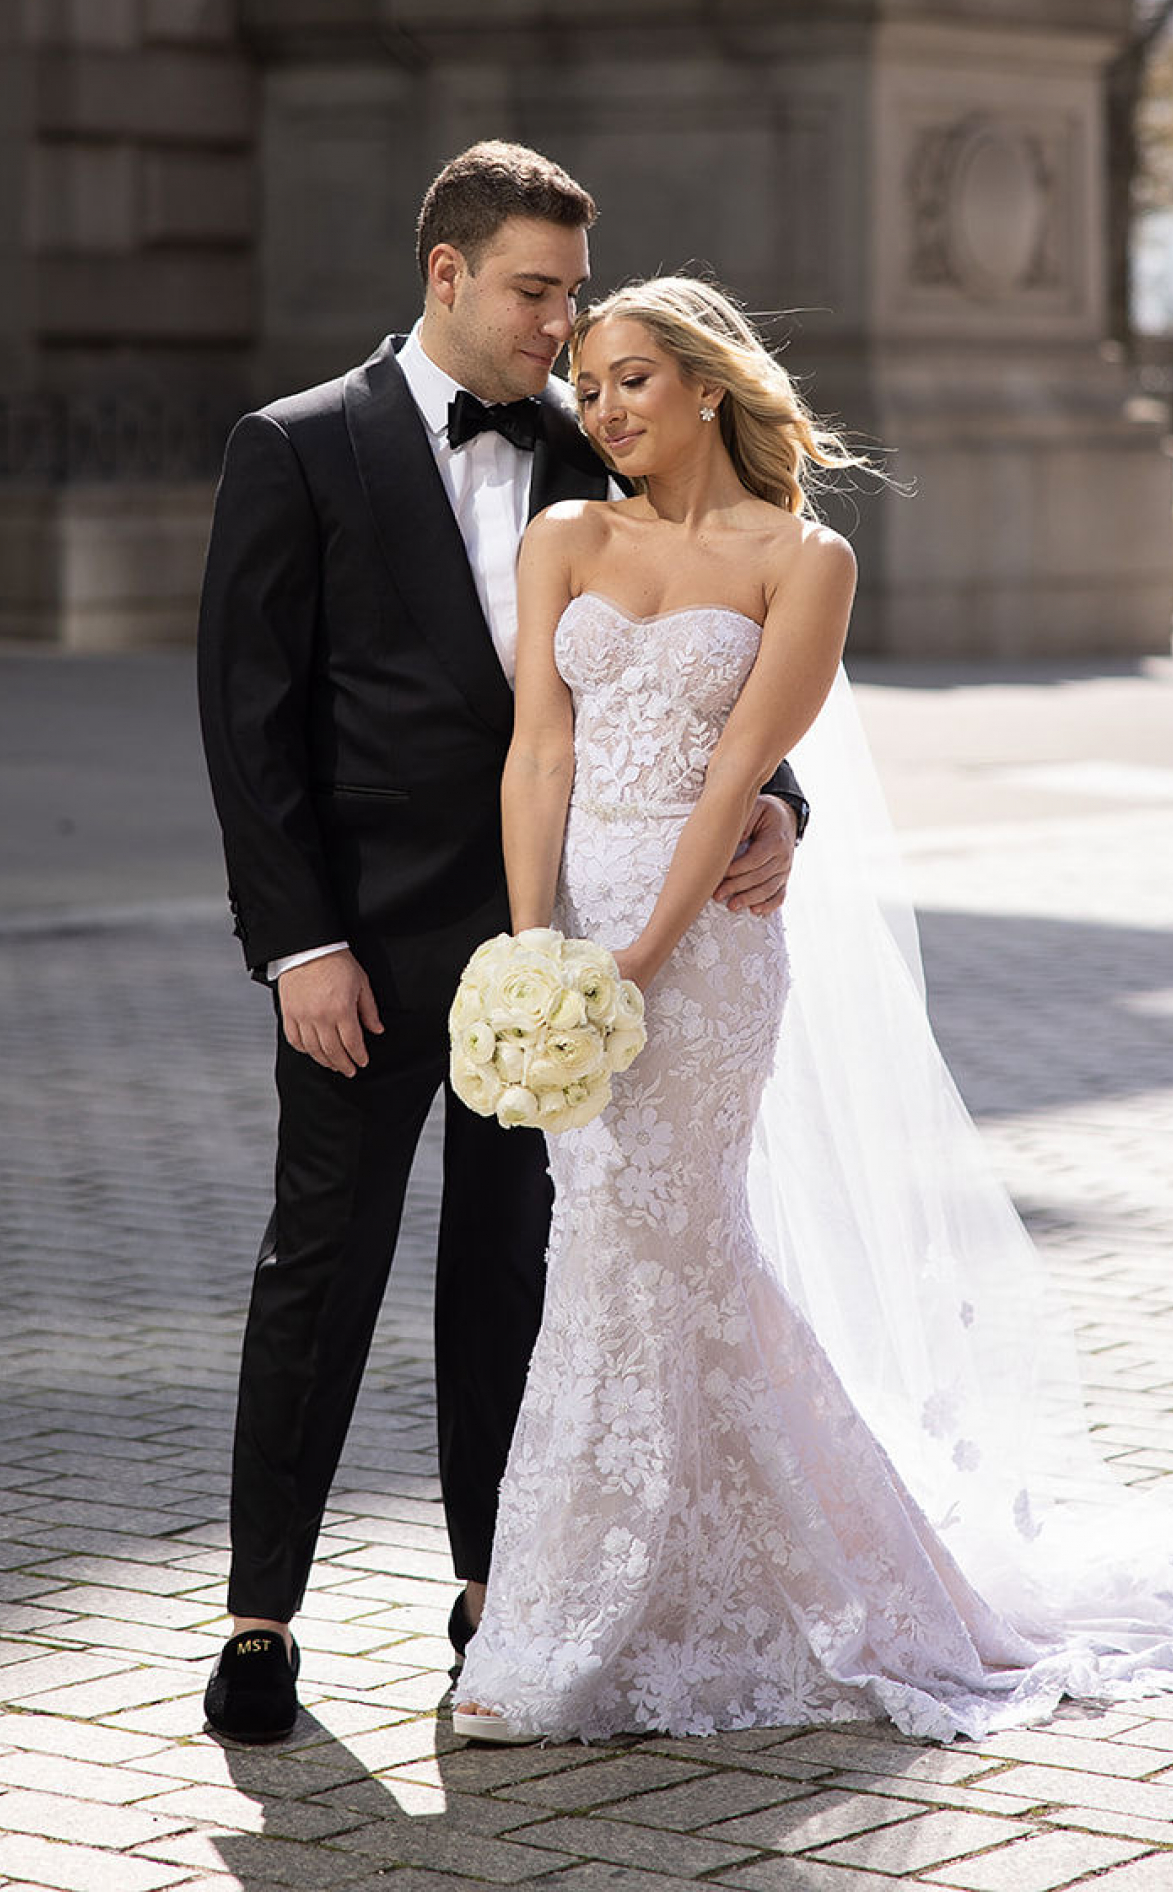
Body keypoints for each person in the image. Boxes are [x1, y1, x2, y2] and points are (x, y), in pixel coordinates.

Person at [452, 276, 1173, 1746]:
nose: (604, 407)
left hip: (702, 963)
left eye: (633, 377)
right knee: (605, 1248)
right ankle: (598, 1603)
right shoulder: (562, 534)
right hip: (569, 943)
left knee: (666, 1238)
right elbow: (536, 756)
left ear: (707, 386)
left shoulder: (803, 560)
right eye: (588, 381)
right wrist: (532, 952)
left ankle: (576, 1625)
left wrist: (637, 959)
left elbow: (741, 769)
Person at [194, 147, 807, 1745]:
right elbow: (248, 728)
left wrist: (782, 808)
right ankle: (263, 1617)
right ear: (448, 275)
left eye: (574, 295)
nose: (563, 325)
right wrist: (298, 944)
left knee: (513, 1270)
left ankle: (499, 1594)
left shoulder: (594, 440)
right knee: (321, 1261)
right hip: (367, 950)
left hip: (576, 948)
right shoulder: (298, 447)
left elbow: (712, 649)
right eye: (537, 292)